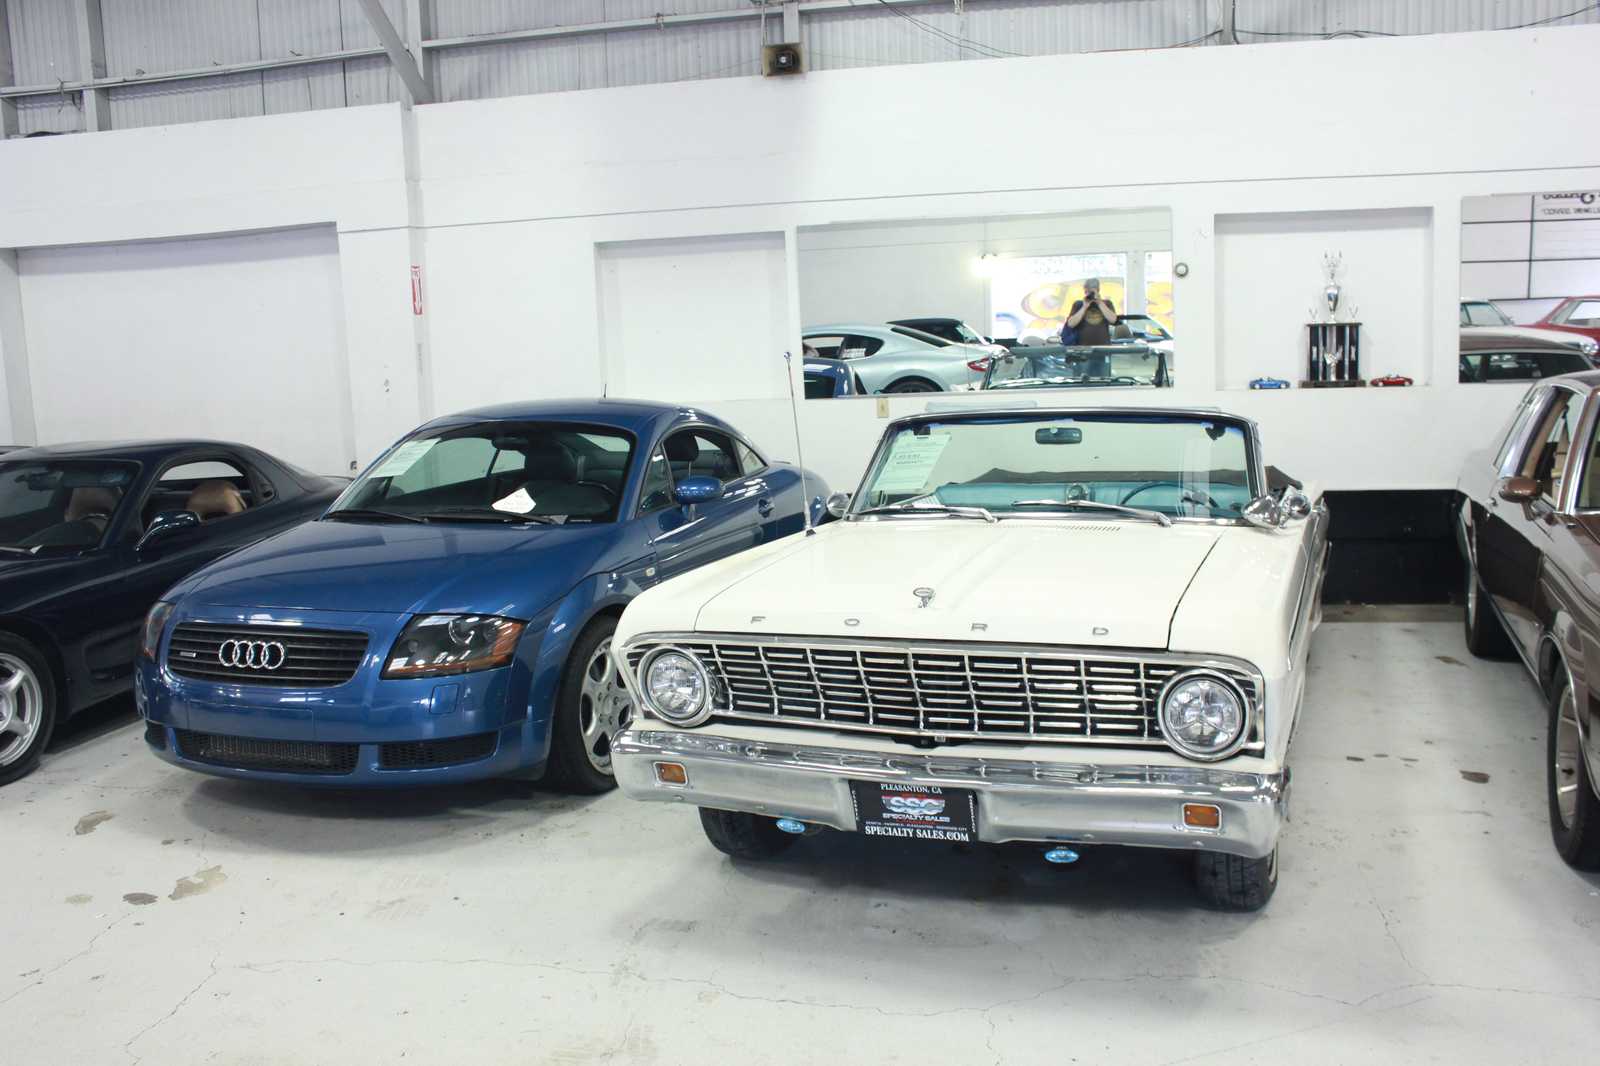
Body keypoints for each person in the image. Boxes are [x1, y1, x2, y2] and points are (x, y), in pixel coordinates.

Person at [1064, 278, 1117, 347]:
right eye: (1086, 292)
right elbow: (1071, 324)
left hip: (1103, 347)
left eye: (1091, 292)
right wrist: (1084, 307)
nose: (1089, 294)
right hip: (1082, 347)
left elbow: (1113, 320)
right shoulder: (1078, 304)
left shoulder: (1107, 303)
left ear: (1098, 290)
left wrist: (1100, 303)